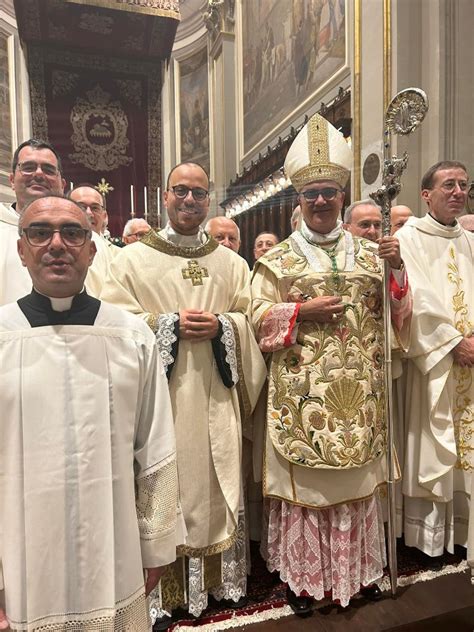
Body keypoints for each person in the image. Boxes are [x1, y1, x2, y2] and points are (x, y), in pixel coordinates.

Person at [251, 113, 412, 614]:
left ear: (342, 196)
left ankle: (354, 573)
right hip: (304, 401)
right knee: (308, 491)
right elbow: (256, 322)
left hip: (360, 398)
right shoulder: (276, 261)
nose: (320, 200)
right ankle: (304, 581)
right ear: (298, 201)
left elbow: (401, 314)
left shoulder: (371, 254)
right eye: (310, 193)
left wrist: (398, 268)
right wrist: (299, 311)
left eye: (329, 191)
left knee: (357, 485)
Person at [0, 195, 184, 631]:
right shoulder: (2, 336)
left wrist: (155, 544)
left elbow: (155, 445)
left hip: (114, 547)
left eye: (73, 232)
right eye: (40, 233)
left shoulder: (131, 335)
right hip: (23, 556)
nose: (57, 244)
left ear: (92, 249)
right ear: (22, 250)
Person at [101, 162, 266, 626]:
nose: (189, 201)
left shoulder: (232, 263)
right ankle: (162, 592)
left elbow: (250, 318)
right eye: (181, 192)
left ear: (208, 199)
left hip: (216, 398)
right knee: (161, 480)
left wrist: (224, 326)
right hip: (159, 403)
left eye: (198, 193)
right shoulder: (129, 261)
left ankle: (217, 583)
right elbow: (112, 320)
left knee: (217, 479)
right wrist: (166, 323)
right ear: (166, 197)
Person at [395, 161, 473, 567]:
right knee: (435, 439)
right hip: (436, 363)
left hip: (471, 364)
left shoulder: (470, 241)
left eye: (463, 184)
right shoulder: (409, 237)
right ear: (426, 194)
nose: (458, 191)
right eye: (449, 185)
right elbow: (416, 297)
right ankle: (429, 537)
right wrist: (453, 342)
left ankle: (464, 531)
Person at [0, 138, 65, 305]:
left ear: (62, 184)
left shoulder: (87, 238)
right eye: (28, 168)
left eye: (49, 169)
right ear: (12, 180)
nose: (38, 174)